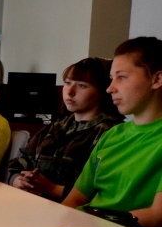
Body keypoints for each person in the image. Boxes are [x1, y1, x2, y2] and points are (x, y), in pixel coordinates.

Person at [63, 38, 162, 227]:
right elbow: (74, 200)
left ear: (156, 79)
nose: (110, 88)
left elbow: (157, 216)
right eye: (111, 79)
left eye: (121, 77)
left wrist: (92, 223)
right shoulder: (112, 135)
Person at [8, 58, 122, 201]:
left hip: (72, 211)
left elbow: (103, 192)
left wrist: (51, 188)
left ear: (101, 92)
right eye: (67, 83)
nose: (70, 91)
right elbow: (18, 164)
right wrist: (19, 181)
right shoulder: (55, 126)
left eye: (81, 86)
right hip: (32, 203)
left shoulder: (109, 132)